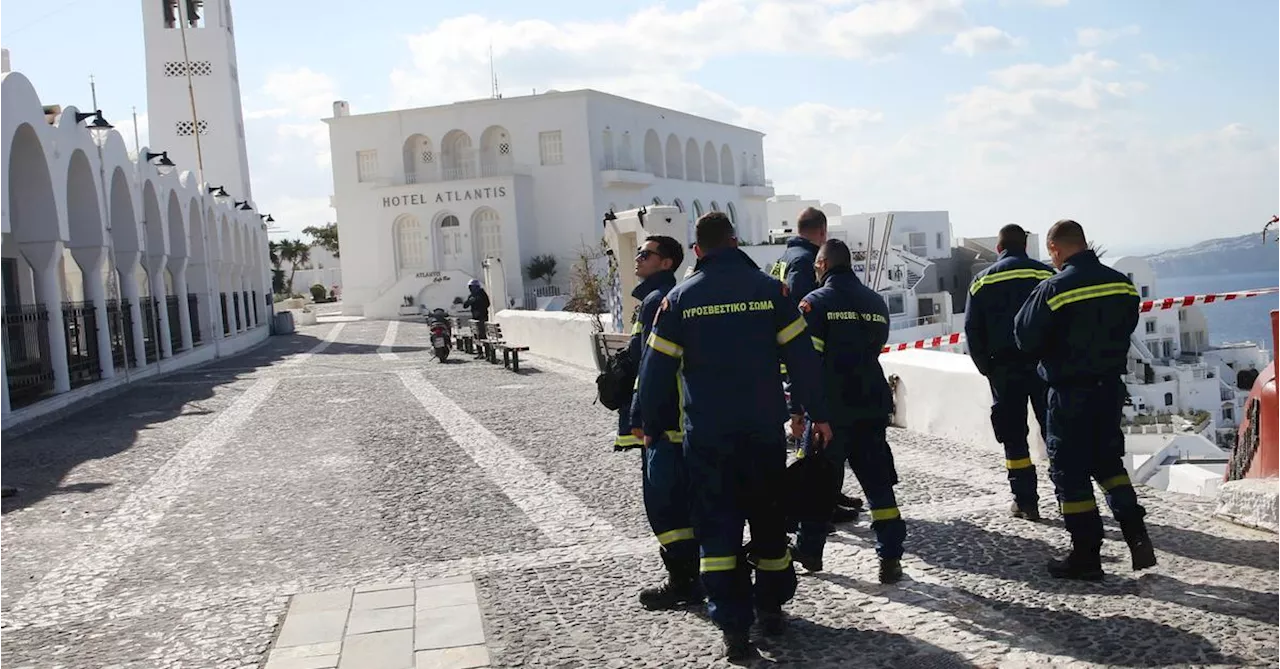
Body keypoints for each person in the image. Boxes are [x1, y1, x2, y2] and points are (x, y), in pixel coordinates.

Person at [637, 211, 832, 661]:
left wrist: (652, 428)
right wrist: (816, 414)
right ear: (736, 241)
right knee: (768, 521)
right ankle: (772, 607)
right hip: (762, 433)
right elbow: (803, 360)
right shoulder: (771, 291)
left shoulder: (680, 300)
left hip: (706, 438)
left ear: (698, 251)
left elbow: (654, 376)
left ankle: (733, 628)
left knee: (717, 530)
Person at [1014, 219, 1157, 580]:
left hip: (1069, 393)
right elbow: (1125, 325)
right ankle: (1136, 535)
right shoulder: (1122, 286)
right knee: (1109, 464)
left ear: (1055, 250)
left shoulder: (1054, 289)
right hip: (1109, 388)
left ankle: (1086, 555)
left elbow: (1025, 336)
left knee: (1070, 472)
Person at [788, 239, 905, 584]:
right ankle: (890, 557)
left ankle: (809, 549)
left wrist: (798, 409)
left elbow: (806, 364)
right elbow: (874, 348)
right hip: (870, 403)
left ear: (822, 265)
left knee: (818, 485)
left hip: (830, 411)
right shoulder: (876, 302)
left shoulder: (813, 303)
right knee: (879, 486)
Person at [616, 235, 702, 609]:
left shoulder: (658, 300)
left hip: (661, 423)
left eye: (645, 254)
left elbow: (648, 367)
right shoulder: (655, 298)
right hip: (667, 420)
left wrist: (640, 418)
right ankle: (689, 576)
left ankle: (683, 579)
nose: (638, 258)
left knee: (665, 504)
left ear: (666, 262)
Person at [770, 207, 863, 519]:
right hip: (802, 357)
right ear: (822, 232)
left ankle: (827, 493)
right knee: (815, 430)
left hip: (784, 354)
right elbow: (805, 309)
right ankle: (819, 499)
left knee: (813, 433)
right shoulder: (804, 261)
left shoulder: (784, 258)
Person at [964, 224, 1056, 520]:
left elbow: (972, 330)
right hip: (1044, 367)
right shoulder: (1047, 275)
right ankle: (1068, 495)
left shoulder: (981, 281)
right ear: (1025, 246)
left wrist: (987, 369)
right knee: (1054, 432)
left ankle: (1025, 502)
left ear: (998, 249)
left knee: (1014, 437)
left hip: (1003, 370)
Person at [462, 279, 491, 359]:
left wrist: (478, 302)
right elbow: (465, 305)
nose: (471, 289)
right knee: (476, 335)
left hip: (482, 317)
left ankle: (488, 354)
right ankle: (480, 353)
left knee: (482, 335)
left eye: (472, 287)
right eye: (470, 287)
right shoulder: (471, 295)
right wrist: (470, 301)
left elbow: (487, 304)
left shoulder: (482, 294)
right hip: (474, 318)